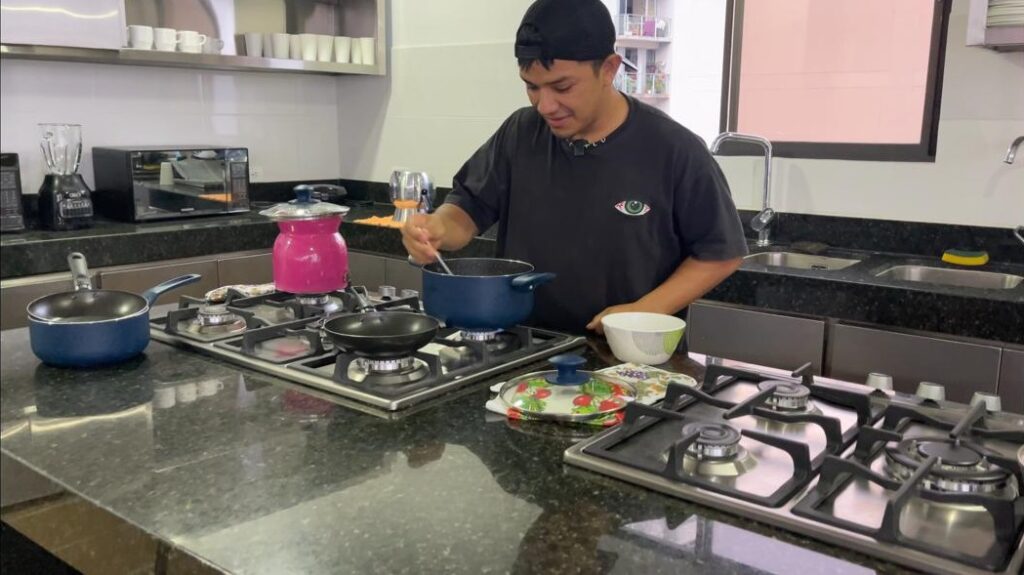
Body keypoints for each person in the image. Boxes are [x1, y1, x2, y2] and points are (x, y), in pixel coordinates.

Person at [402, 0, 747, 335]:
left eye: (562, 87)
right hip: (525, 346)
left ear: (609, 69)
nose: (545, 105)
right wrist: (437, 229)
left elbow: (720, 253)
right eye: (531, 87)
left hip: (627, 357)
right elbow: (466, 212)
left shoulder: (674, 149)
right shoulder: (520, 133)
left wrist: (644, 311)